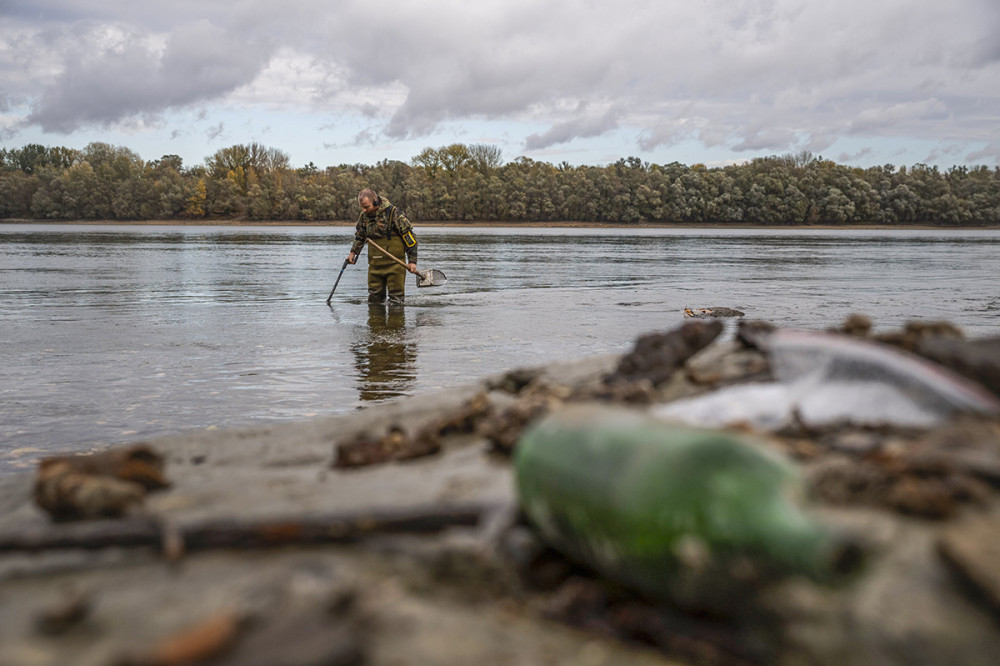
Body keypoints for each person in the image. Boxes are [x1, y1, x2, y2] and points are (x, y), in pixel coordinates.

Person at [346, 189, 419, 304]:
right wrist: (352, 253)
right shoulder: (364, 216)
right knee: (374, 300)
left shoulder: (393, 213)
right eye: (362, 207)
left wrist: (412, 261)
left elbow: (410, 238)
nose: (364, 210)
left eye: (366, 207)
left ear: (375, 202)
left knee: (396, 301)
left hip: (395, 265)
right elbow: (360, 236)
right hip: (375, 266)